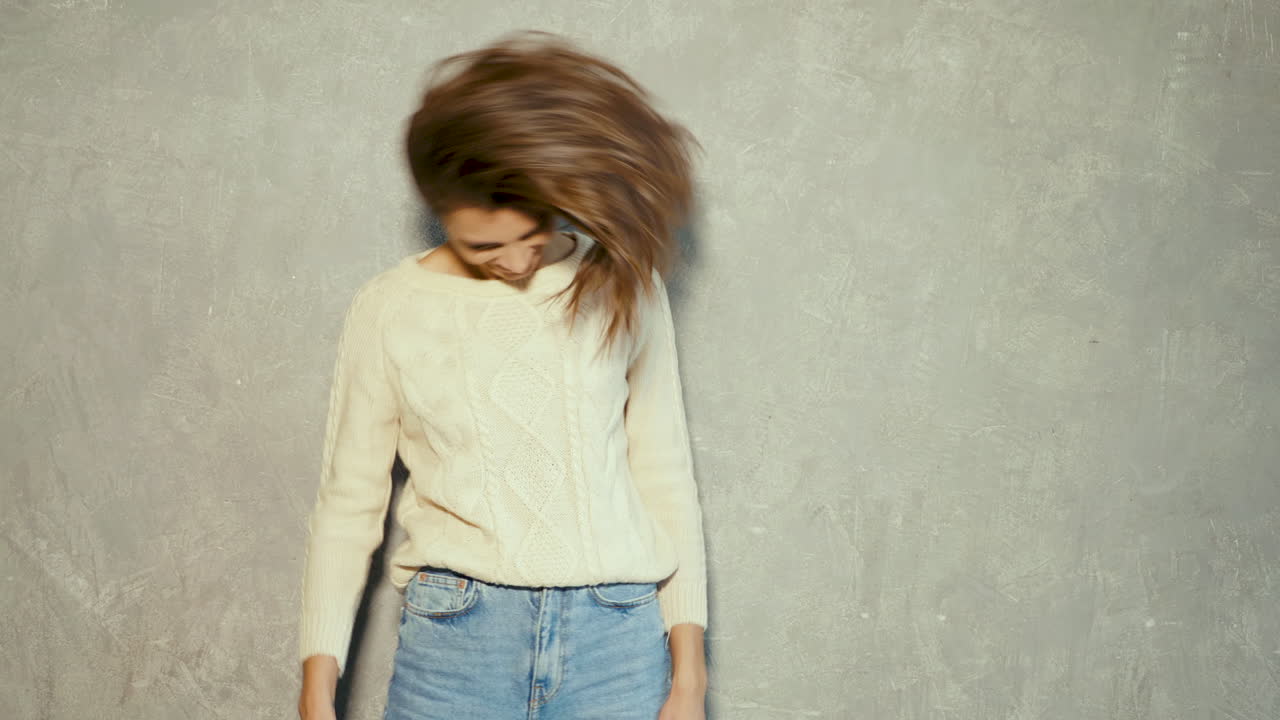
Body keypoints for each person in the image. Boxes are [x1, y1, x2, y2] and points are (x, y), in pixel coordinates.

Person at [295, 31, 709, 720]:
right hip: (457, 642)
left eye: (533, 235)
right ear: (440, 212)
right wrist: (315, 692)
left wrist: (688, 679)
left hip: (617, 639)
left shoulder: (622, 282)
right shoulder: (390, 310)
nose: (516, 263)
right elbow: (348, 504)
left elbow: (665, 476)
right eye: (485, 246)